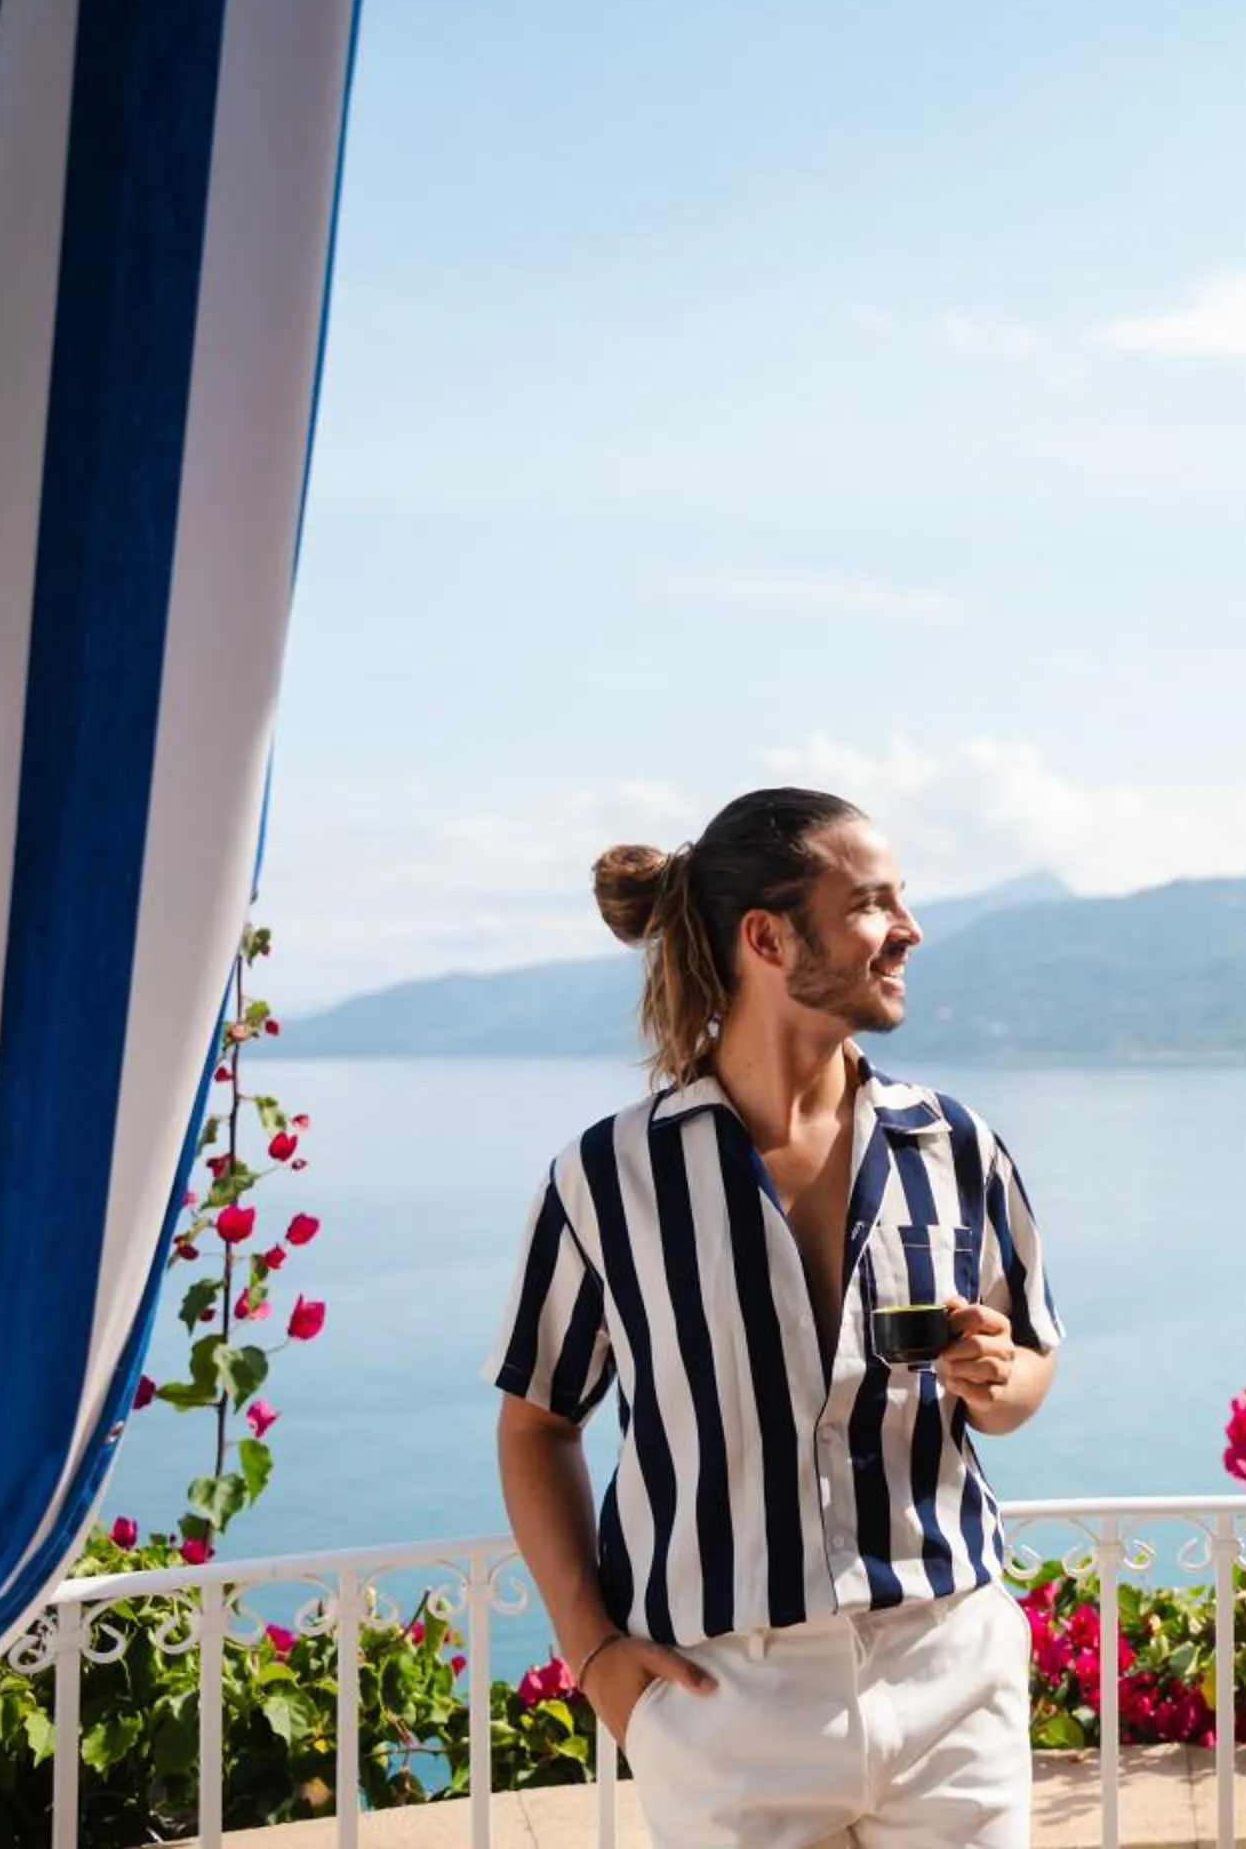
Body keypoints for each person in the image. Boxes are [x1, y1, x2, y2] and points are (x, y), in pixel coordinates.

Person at [487, 788, 1063, 1849]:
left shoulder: (957, 1144)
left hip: (951, 1672)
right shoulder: (611, 1178)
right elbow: (537, 1423)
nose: (910, 928)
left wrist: (998, 1376)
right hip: (726, 1705)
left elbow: (1026, 1371)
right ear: (767, 936)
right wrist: (597, 1658)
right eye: (873, 903)